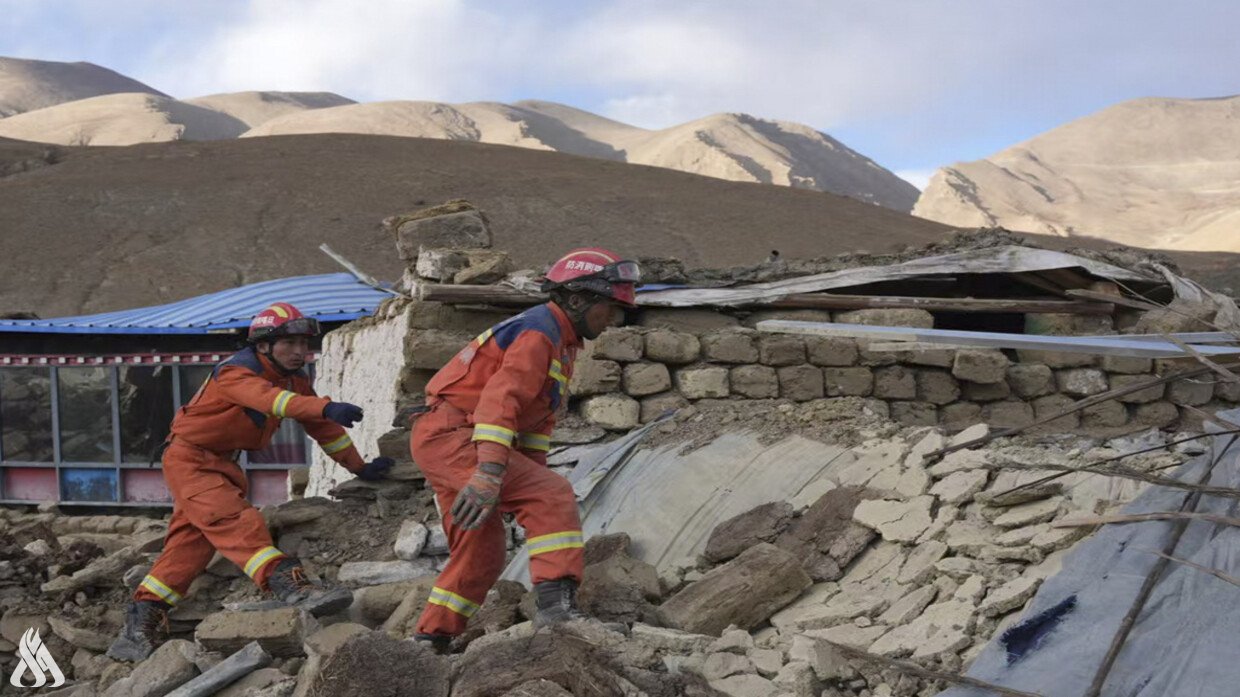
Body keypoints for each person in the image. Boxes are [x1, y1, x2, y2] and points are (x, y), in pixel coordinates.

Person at [107, 302, 394, 662]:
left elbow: (324, 430)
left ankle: (139, 625)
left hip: (221, 464)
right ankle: (291, 586)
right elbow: (271, 401)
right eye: (289, 343)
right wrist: (322, 406)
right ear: (263, 345)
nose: (300, 352)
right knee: (236, 521)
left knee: (189, 547)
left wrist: (359, 467)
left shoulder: (293, 380)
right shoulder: (236, 374)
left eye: (304, 344)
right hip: (190, 461)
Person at [410, 248, 640, 650]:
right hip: (457, 437)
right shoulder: (539, 334)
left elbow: (533, 422)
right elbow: (500, 404)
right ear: (577, 298)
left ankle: (431, 638)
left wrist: (523, 476)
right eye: (609, 307)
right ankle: (557, 613)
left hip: (453, 437)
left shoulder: (560, 341)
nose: (614, 318)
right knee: (552, 494)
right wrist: (491, 473)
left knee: (483, 553)